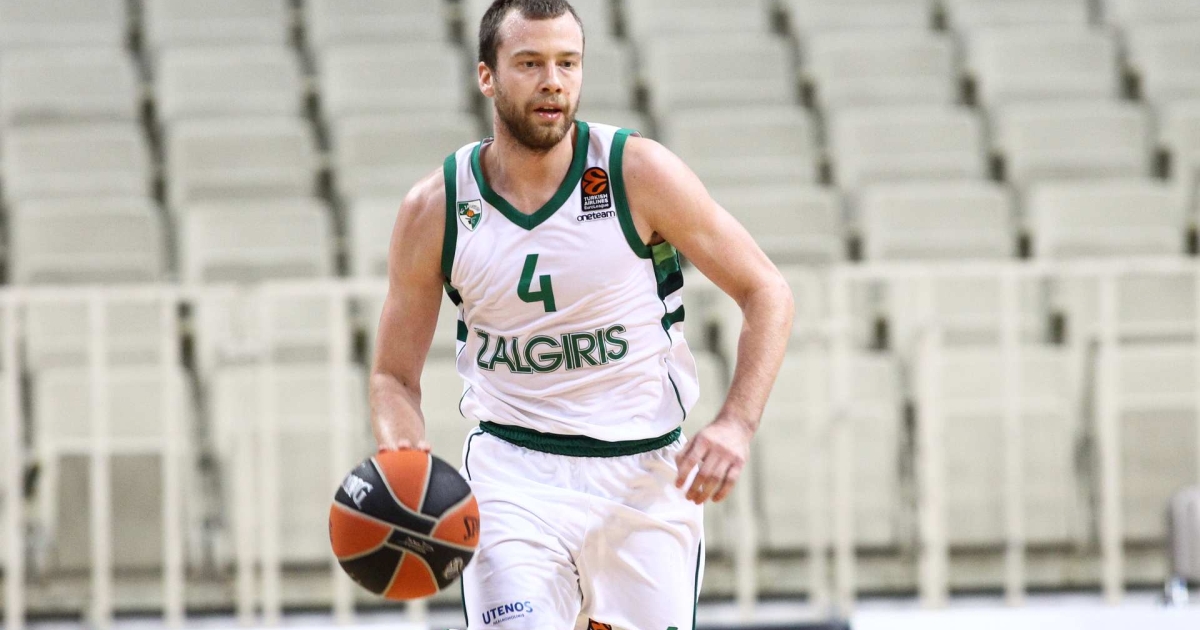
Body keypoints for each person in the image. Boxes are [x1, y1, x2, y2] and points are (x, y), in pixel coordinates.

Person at [369, 1, 793, 627]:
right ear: (487, 76)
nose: (553, 81)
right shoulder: (435, 207)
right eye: (530, 64)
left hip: (645, 477)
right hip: (513, 476)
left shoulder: (636, 172)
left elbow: (767, 291)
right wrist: (404, 453)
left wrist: (737, 423)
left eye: (568, 63)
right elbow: (392, 375)